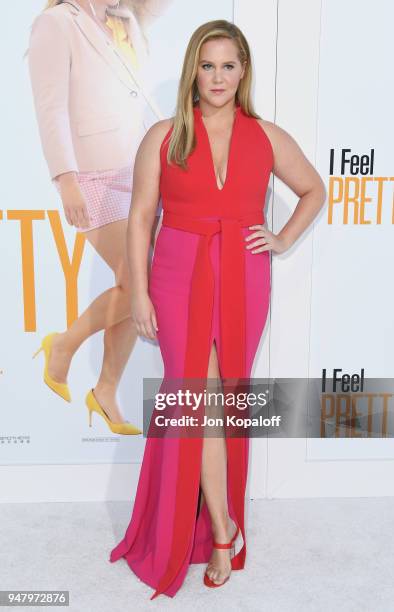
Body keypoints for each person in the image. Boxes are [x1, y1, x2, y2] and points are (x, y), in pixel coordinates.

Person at [109, 19, 326, 598]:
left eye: (229, 65)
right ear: (193, 72)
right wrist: (139, 292)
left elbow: (315, 189)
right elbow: (140, 218)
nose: (218, 77)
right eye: (207, 65)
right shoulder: (164, 134)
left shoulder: (267, 136)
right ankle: (223, 532)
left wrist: (279, 239)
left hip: (243, 275)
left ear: (244, 71)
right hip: (179, 274)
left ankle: (219, 525)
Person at [28, 0, 171, 434]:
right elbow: (50, 107)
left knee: (134, 282)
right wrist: (64, 178)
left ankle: (105, 390)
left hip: (139, 167)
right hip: (91, 174)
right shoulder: (55, 23)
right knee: (136, 280)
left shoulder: (121, 21)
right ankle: (64, 344)